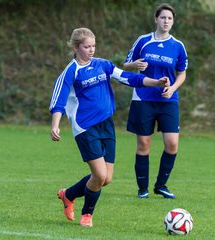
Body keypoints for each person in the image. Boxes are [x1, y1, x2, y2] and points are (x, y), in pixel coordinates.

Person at [49, 27, 169, 227]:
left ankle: (68, 194)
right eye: (87, 46)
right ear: (76, 47)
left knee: (107, 178)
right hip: (85, 128)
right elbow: (58, 100)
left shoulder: (103, 65)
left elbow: (130, 78)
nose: (91, 50)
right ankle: (87, 214)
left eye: (93, 46)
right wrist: (55, 125)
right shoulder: (71, 71)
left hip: (107, 125)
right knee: (99, 175)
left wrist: (155, 82)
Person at [123, 3, 188, 199]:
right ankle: (142, 189)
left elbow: (182, 73)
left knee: (172, 144)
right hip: (143, 98)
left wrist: (173, 88)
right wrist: (134, 64)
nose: (166, 21)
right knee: (144, 143)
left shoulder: (178, 46)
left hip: (168, 100)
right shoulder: (143, 41)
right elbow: (126, 64)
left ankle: (161, 185)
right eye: (163, 17)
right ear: (156, 19)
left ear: (173, 21)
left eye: (169, 18)